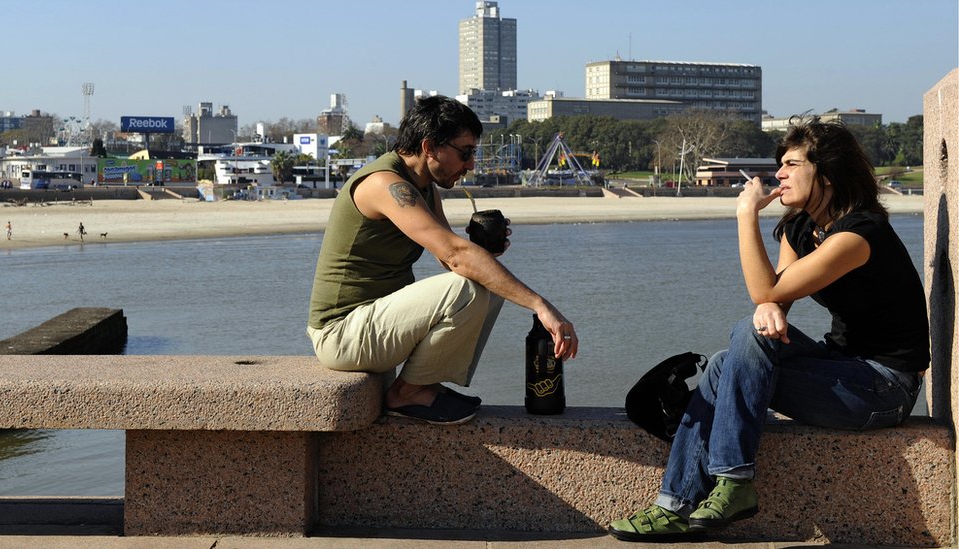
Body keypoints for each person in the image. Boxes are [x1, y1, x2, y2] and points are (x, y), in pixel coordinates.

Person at [608, 118, 929, 542]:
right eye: (781, 163)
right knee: (731, 357)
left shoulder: (858, 235)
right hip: (838, 367)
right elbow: (773, 297)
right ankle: (691, 499)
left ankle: (714, 489)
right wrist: (769, 306)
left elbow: (766, 290)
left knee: (734, 355)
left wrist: (745, 215)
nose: (778, 173)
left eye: (792, 164)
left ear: (827, 175)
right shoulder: (800, 227)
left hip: (884, 388)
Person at [307, 95, 578, 425]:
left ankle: (424, 385)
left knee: (487, 282)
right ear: (430, 147)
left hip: (369, 329)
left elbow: (449, 257)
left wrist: (483, 250)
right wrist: (540, 305)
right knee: (467, 287)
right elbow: (455, 256)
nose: (471, 165)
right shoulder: (384, 184)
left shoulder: (422, 185)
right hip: (340, 335)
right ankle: (407, 393)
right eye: (465, 153)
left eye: (473, 153)